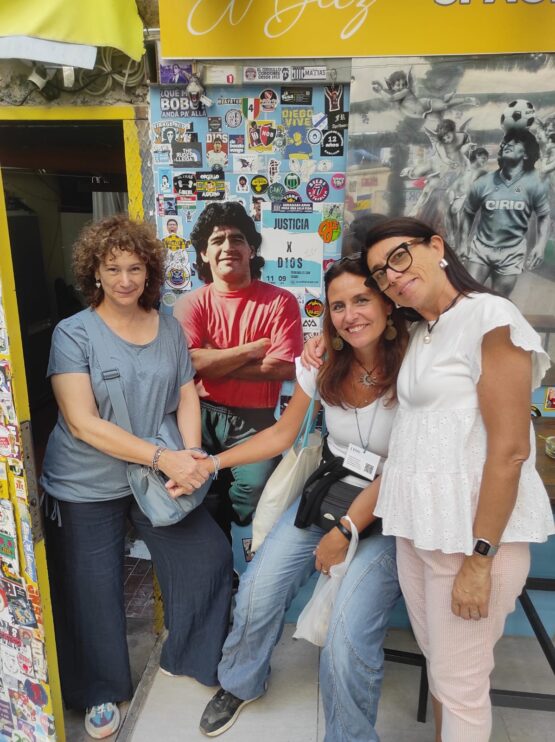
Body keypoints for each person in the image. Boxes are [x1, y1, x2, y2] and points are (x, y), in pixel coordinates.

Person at [187, 256, 408, 740]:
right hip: (329, 493)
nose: (350, 315)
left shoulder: (415, 366)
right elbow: (282, 433)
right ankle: (240, 681)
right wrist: (212, 463)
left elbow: (405, 467)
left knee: (347, 636)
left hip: (391, 511)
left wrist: (345, 532)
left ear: (388, 304)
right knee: (257, 590)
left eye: (362, 300)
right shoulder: (325, 362)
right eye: (338, 306)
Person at [356, 217, 553, 741]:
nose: (392, 277)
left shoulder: (489, 317)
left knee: (461, 686)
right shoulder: (424, 330)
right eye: (380, 273)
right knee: (445, 674)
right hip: (421, 532)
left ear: (436, 246)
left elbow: (510, 451)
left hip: (470, 543)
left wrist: (480, 561)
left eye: (400, 256)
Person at [40, 215, 233, 739]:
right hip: (85, 482)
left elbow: (186, 394)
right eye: (112, 268)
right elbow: (82, 423)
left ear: (149, 272)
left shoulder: (168, 326)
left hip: (157, 475)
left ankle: (190, 654)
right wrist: (163, 457)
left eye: (134, 268)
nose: (125, 279)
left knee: (208, 556)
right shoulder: (73, 333)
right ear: (94, 273)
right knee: (93, 587)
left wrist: (190, 455)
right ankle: (100, 688)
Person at [173, 202, 303, 540]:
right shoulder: (191, 304)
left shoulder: (280, 301)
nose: (228, 247)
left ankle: (236, 549)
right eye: (217, 241)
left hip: (254, 420)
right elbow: (189, 363)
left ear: (251, 249)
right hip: (198, 414)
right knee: (199, 493)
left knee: (253, 491)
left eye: (237, 239)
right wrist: (252, 349)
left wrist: (214, 361)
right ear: (204, 254)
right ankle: (214, 550)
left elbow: (283, 366)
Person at [461, 128, 551, 296]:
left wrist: (540, 245)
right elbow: (467, 212)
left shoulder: (534, 184)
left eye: (516, 143)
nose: (509, 144)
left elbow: (544, 216)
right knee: (468, 296)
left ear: (526, 155)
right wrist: (462, 243)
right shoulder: (483, 183)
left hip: (512, 253)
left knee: (499, 301)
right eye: (507, 142)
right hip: (481, 249)